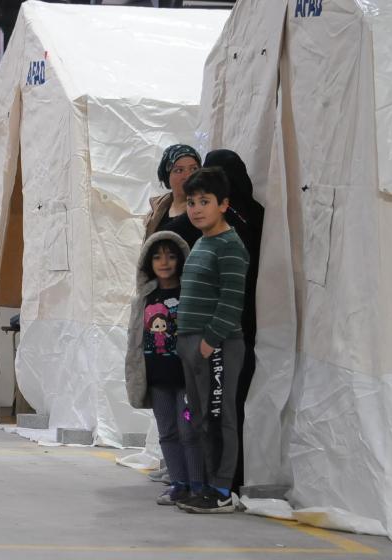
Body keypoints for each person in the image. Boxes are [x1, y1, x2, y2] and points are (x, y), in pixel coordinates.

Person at [174, 167, 249, 513]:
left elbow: (232, 301)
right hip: (192, 344)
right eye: (191, 202)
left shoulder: (231, 246)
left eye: (205, 201)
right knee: (200, 416)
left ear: (223, 204)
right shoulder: (203, 242)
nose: (197, 209)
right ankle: (204, 484)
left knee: (221, 417)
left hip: (216, 345)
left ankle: (221, 490)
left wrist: (210, 342)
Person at [126, 231, 204, 506]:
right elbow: (134, 341)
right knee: (167, 432)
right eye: (157, 257)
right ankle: (178, 484)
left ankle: (197, 485)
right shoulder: (144, 298)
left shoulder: (190, 294)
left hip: (186, 378)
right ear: (148, 263)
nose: (164, 262)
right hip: (158, 379)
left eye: (171, 256)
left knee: (189, 431)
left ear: (182, 259)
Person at [203, 149, 264, 492]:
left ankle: (225, 479)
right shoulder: (253, 214)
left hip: (230, 323)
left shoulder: (234, 221)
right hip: (239, 320)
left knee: (224, 403)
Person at [144, 144, 203, 247]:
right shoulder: (158, 208)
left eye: (193, 169)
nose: (188, 176)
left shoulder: (206, 210)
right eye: (179, 170)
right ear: (167, 177)